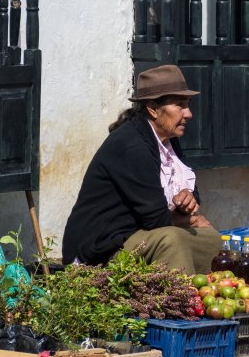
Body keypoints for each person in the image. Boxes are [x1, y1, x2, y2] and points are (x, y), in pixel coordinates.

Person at [62, 65, 222, 272]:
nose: (188, 113)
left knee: (211, 239)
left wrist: (187, 200)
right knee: (171, 239)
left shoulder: (168, 141)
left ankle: (209, 297)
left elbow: (191, 195)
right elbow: (157, 220)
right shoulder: (132, 145)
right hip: (103, 247)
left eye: (188, 104)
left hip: (140, 233)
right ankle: (179, 301)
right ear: (153, 109)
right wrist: (192, 219)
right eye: (180, 105)